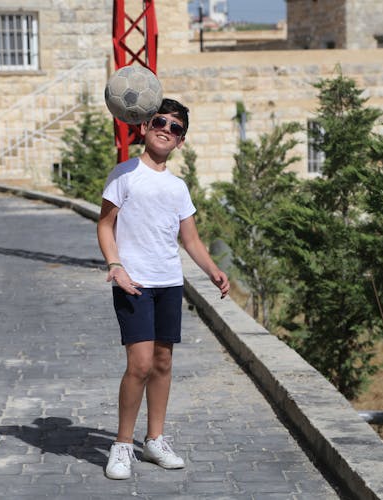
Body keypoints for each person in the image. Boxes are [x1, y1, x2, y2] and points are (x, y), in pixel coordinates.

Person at [97, 98, 230, 480]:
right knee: (138, 365)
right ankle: (123, 445)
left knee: (162, 363)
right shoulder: (123, 174)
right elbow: (105, 226)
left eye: (175, 128)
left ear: (180, 142)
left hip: (169, 283)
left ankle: (154, 440)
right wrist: (116, 266)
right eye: (160, 121)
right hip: (133, 282)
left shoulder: (178, 187)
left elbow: (190, 240)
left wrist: (212, 270)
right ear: (145, 126)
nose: (166, 130)